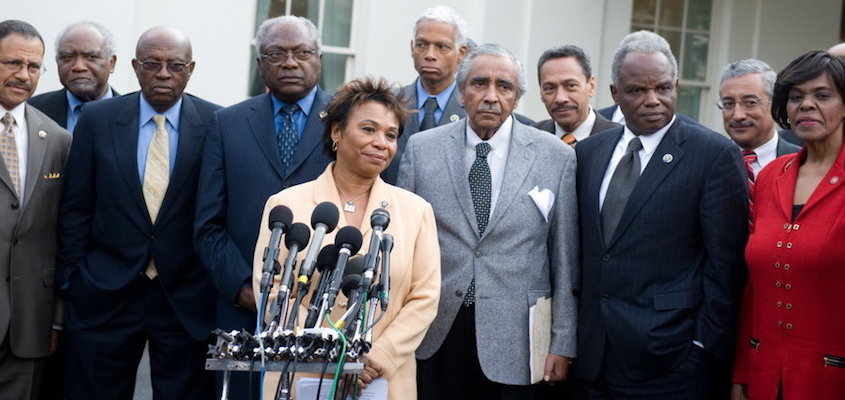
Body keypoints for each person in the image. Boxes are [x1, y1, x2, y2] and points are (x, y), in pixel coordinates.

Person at [573, 31, 748, 399]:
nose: (653, 100)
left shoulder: (712, 154)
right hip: (592, 358)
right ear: (614, 93)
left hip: (671, 362)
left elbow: (726, 267)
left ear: (676, 86)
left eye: (664, 88)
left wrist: (701, 349)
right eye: (637, 90)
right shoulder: (588, 154)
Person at [399, 43, 578, 399]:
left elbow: (565, 259)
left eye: (504, 87)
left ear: (517, 97)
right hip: (435, 331)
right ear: (462, 92)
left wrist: (562, 341)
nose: (491, 97)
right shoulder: (421, 149)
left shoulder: (555, 156)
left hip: (517, 339)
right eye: (479, 84)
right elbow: (404, 251)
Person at [252, 76, 440, 399]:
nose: (382, 142)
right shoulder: (286, 205)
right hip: (298, 376)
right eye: (369, 129)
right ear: (336, 132)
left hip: (382, 380)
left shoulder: (416, 211)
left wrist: (376, 358)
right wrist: (330, 353)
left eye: (391, 135)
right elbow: (271, 296)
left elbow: (425, 298)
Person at [57, 26, 219, 399]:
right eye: (152, 63)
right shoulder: (97, 120)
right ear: (133, 66)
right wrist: (75, 278)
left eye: (175, 65)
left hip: (184, 297)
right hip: (105, 293)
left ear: (190, 69)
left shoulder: (216, 123)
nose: (163, 73)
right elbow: (76, 208)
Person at [194, 15, 332, 399]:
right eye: (276, 53)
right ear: (260, 65)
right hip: (242, 313)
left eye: (301, 52)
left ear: (319, 58)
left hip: (321, 310)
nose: (290, 62)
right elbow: (208, 224)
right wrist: (242, 287)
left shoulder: (348, 121)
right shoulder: (228, 123)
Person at [731, 50, 845, 400]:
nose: (806, 105)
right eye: (796, 97)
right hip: (764, 377)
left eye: (822, 95)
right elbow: (754, 289)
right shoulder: (770, 177)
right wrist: (740, 375)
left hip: (829, 380)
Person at [0, 19, 71, 400]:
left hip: (28, 324)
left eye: (32, 67)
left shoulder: (57, 138)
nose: (23, 75)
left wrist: (56, 320)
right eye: (12, 63)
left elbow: (60, 234)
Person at [381, 6, 469, 184]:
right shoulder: (387, 102)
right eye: (422, 45)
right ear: (412, 48)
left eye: (441, 47)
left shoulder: (472, 110)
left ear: (461, 53)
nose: (430, 55)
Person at [29, 21, 118, 133]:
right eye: (67, 57)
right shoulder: (34, 111)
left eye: (91, 57)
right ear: (57, 61)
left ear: (111, 63)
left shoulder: (133, 115)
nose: (78, 67)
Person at [719, 59, 800, 177]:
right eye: (728, 104)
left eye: (750, 103)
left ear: (775, 106)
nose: (738, 115)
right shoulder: (706, 160)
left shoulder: (803, 162)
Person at [534, 45, 619, 146]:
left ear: (591, 86)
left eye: (571, 86)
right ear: (541, 93)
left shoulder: (620, 140)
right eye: (550, 88)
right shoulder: (529, 139)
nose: (560, 98)